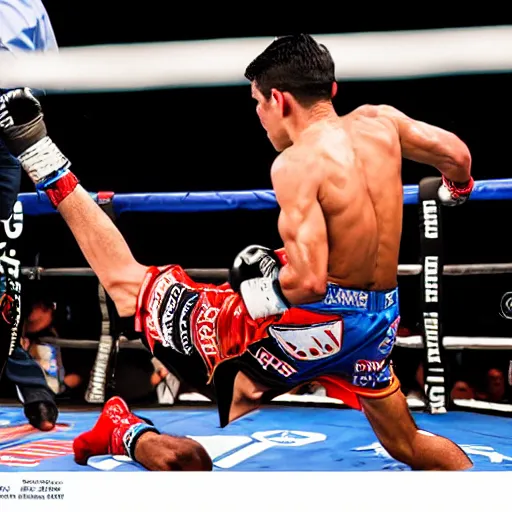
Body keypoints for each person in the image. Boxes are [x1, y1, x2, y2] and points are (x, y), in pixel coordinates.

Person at [0, 33, 475, 471]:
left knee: (130, 286)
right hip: (377, 323)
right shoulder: (383, 121)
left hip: (312, 323)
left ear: (279, 99)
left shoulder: (296, 163)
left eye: (257, 104)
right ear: (330, 90)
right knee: (408, 443)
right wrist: (457, 190)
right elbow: (457, 155)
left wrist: (260, 289)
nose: (259, 116)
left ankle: (37, 151)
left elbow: (307, 283)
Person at [0, 0, 59, 431]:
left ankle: (29, 382)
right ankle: (30, 383)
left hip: (7, 121)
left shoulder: (28, 4)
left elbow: (55, 72)